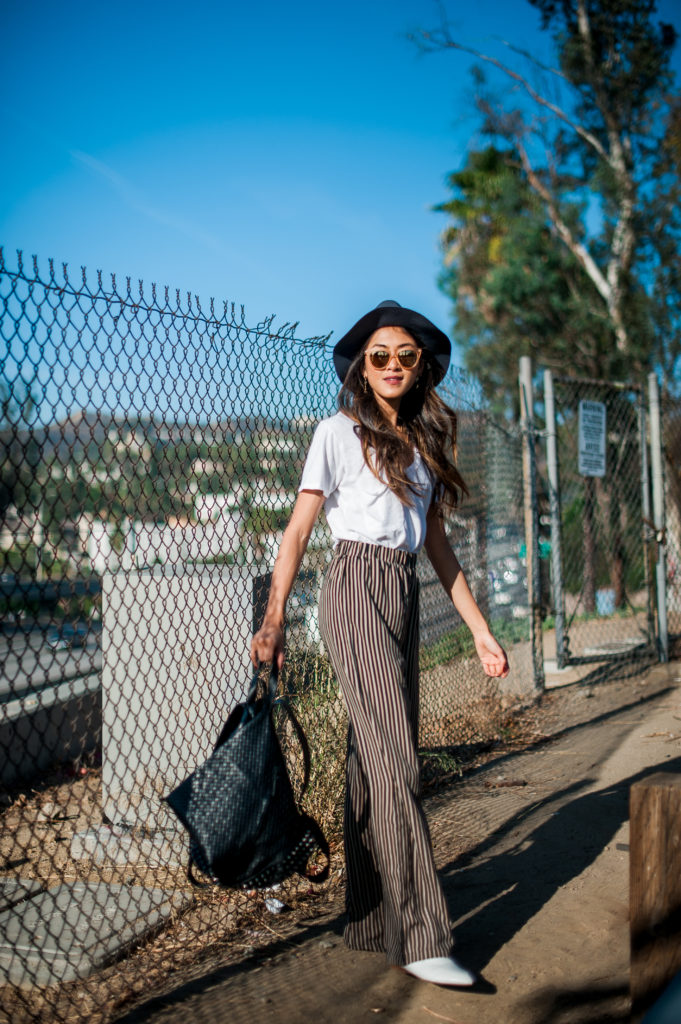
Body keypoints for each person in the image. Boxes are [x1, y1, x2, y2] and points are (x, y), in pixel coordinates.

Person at [251, 300, 509, 988]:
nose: (392, 365)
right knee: (399, 759)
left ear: (421, 366)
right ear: (361, 368)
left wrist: (481, 630)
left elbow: (439, 548)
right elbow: (299, 531)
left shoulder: (424, 443)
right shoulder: (335, 432)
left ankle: (369, 918)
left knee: (374, 760)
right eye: (378, 356)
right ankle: (422, 935)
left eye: (405, 355)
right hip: (354, 584)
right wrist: (274, 617)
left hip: (401, 587)